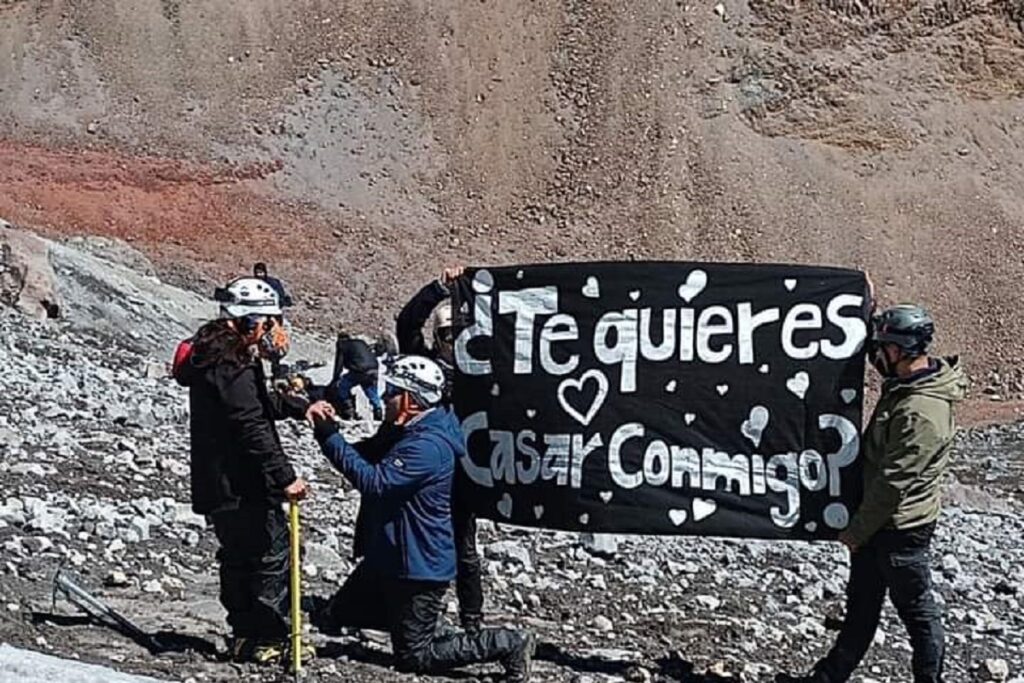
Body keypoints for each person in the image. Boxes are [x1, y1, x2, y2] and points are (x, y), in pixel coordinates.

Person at [306, 356, 534, 681]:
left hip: (417, 565)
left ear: (410, 401)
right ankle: (426, 623)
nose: (383, 397)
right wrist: (327, 428)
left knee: (414, 656)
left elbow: (376, 483)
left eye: (391, 392)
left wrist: (329, 436)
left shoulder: (427, 445)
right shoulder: (411, 427)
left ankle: (508, 643)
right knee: (335, 615)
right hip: (390, 555)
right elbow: (367, 454)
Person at [777, 304, 967, 683]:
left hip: (898, 530)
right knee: (861, 610)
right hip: (881, 523)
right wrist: (863, 300)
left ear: (899, 350)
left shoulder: (920, 412)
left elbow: (893, 484)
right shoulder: (909, 385)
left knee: (918, 614)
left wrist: (856, 532)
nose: (876, 355)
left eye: (882, 347)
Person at [173, 277, 310, 665]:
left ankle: (245, 636)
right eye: (270, 321)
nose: (274, 331)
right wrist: (286, 478)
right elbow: (251, 425)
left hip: (219, 483)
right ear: (250, 321)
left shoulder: (216, 355)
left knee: (239, 557)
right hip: (242, 482)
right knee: (270, 554)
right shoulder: (231, 364)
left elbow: (256, 405)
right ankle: (269, 636)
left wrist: (301, 407)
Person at [395, 267, 486, 633]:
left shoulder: (480, 371)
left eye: (460, 333)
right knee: (406, 539)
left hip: (462, 469)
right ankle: (396, 610)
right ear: (438, 336)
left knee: (465, 548)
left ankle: (472, 620)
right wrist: (438, 289)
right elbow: (406, 323)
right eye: (448, 334)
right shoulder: (423, 364)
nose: (454, 340)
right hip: (424, 468)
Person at [331, 332, 384, 421]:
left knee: (343, 386)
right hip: (374, 368)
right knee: (371, 390)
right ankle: (378, 411)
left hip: (359, 370)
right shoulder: (360, 342)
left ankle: (348, 409)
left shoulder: (342, 345)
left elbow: (339, 364)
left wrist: (335, 379)